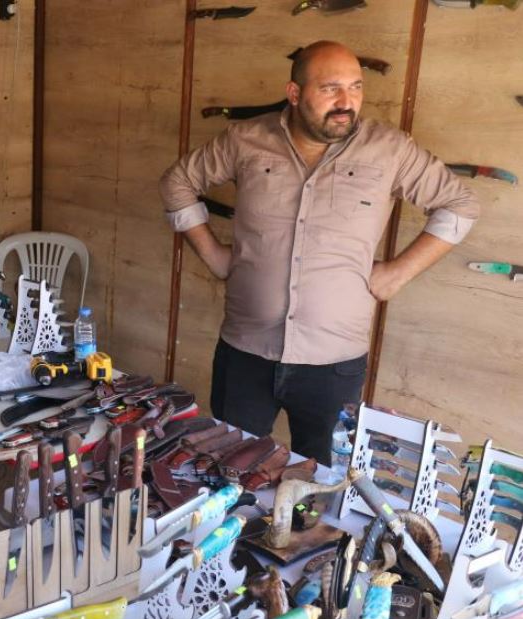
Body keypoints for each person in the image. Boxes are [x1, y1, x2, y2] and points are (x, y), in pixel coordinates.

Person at [159, 40, 479, 465]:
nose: (346, 102)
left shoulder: (390, 149)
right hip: (245, 353)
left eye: (356, 87)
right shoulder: (245, 139)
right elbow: (177, 183)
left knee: (323, 482)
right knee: (229, 468)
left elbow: (459, 204)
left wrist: (397, 274)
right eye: (330, 89)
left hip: (334, 365)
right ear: (294, 93)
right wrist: (214, 255)